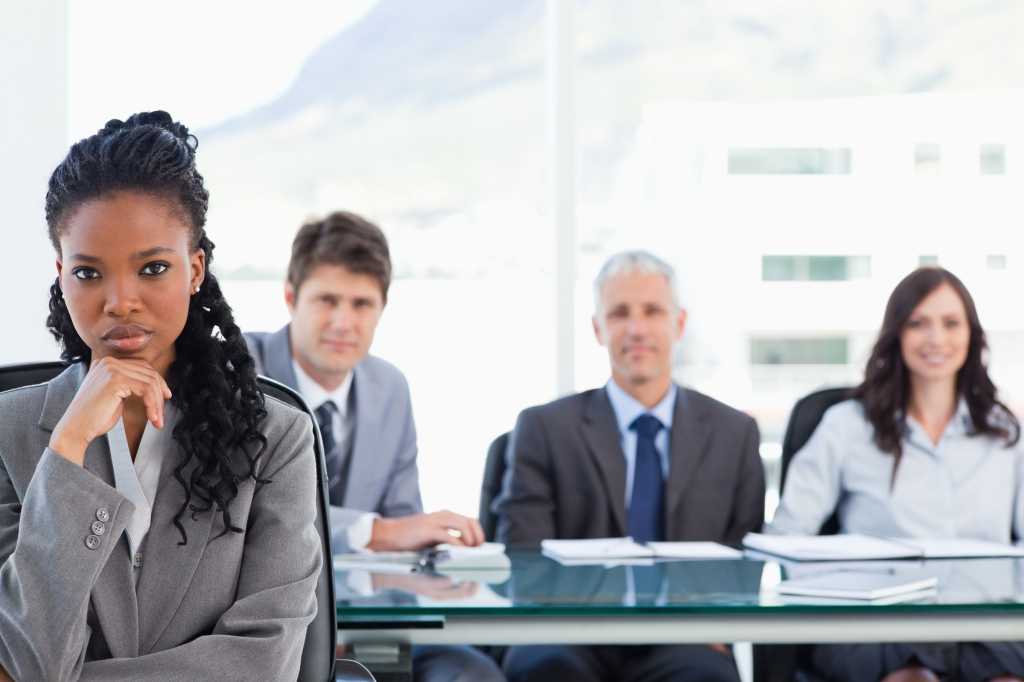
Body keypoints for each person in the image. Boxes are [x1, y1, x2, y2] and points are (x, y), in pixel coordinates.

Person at [0, 111, 321, 681]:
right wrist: (69, 446)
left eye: (152, 268)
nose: (120, 301)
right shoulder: (8, 431)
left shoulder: (276, 437)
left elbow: (266, 664)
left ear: (194, 269)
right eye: (88, 273)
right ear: (60, 274)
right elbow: (26, 657)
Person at [244, 211, 504, 682]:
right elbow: (252, 514)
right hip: (269, 633)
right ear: (289, 297)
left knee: (473, 674)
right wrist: (377, 532)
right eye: (327, 300)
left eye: (362, 304)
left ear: (382, 309)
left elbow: (405, 521)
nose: (343, 322)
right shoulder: (242, 373)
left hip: (373, 628)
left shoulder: (391, 388)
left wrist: (435, 561)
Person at [495, 249, 765, 682]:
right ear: (598, 329)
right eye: (620, 313)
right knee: (543, 666)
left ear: (679, 324)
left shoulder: (733, 435)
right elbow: (524, 558)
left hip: (687, 638)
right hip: (570, 634)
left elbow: (744, 563)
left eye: (653, 311)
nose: (637, 329)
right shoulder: (544, 428)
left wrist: (713, 627)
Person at [769, 267, 1024, 682]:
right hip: (876, 624)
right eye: (918, 323)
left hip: (984, 622)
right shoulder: (848, 425)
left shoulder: (1004, 433)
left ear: (972, 337)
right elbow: (787, 536)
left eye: (950, 323)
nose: (936, 339)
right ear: (897, 335)